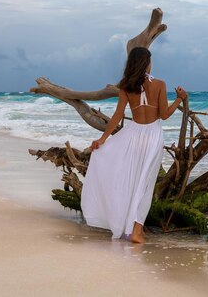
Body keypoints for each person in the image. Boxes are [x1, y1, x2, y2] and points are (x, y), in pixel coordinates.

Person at [80, 47, 187, 244]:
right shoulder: (160, 85)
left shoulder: (126, 86)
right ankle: (136, 231)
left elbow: (118, 115)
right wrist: (180, 98)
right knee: (145, 184)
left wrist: (103, 140)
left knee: (130, 179)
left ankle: (128, 225)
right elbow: (164, 115)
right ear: (147, 63)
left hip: (133, 135)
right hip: (153, 136)